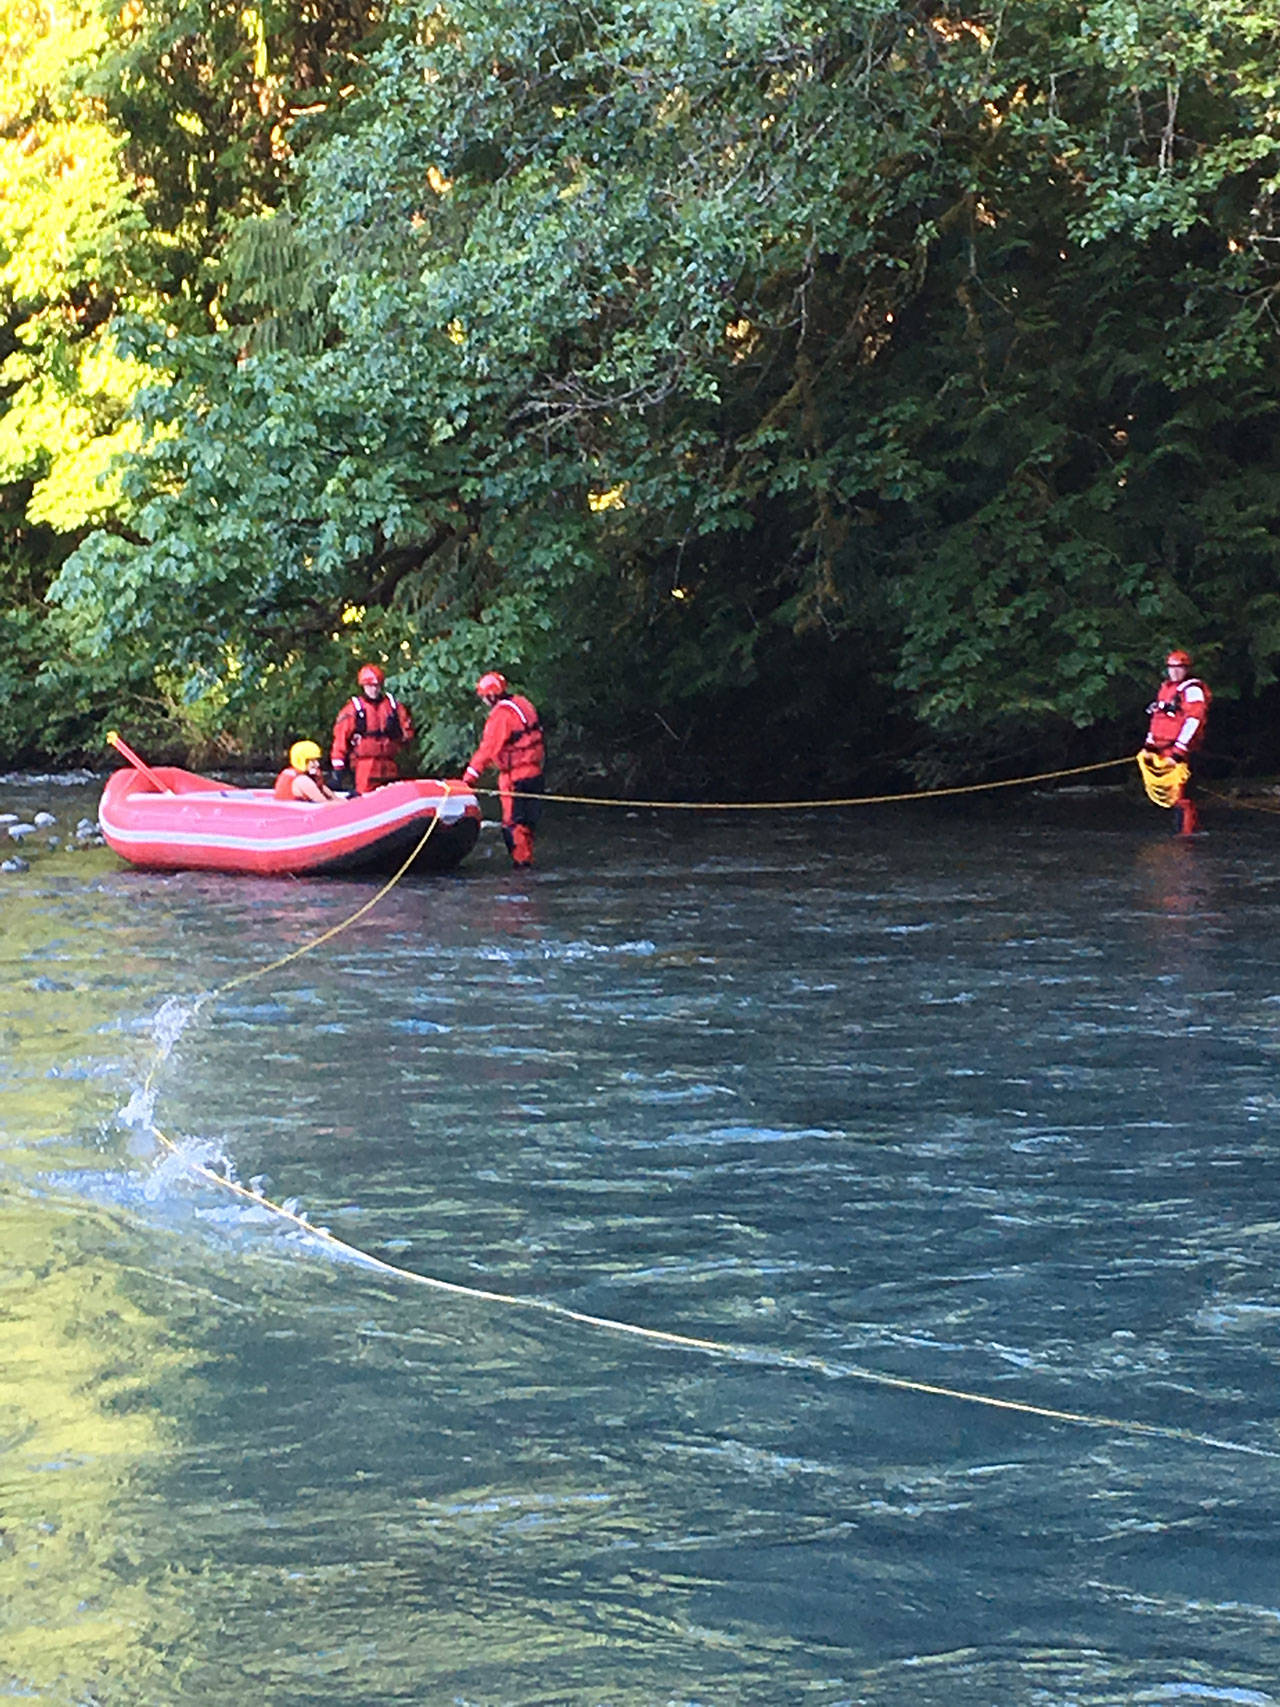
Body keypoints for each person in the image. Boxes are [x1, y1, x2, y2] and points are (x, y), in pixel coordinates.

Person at [462, 671, 545, 866]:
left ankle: (522, 867)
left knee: (513, 825)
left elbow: (487, 751)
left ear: (490, 696)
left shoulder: (501, 716)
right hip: (535, 773)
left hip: (515, 777)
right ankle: (527, 861)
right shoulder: (522, 703)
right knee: (527, 823)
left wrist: (467, 780)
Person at [1143, 648, 1210, 835]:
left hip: (1179, 751)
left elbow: (1193, 720)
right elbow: (1157, 718)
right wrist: (1149, 745)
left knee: (1181, 794)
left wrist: (1179, 751)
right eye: (1171, 668)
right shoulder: (1166, 689)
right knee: (1173, 795)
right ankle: (1186, 832)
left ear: (1186, 669)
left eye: (1179, 668)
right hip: (1161, 748)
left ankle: (1186, 837)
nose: (1175, 671)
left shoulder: (1192, 690)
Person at [330, 663, 415, 794]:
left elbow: (408, 733)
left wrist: (398, 734)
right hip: (365, 766)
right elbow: (340, 739)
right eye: (370, 686)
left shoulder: (393, 707)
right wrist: (338, 769)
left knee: (392, 799)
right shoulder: (354, 709)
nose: (373, 690)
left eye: (376, 686)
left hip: (389, 764)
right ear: (363, 686)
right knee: (365, 799)